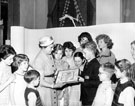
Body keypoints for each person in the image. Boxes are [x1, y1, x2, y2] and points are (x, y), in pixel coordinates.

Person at [32, 36, 62, 106]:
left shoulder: (49, 54)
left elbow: (52, 69)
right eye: (50, 47)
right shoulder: (39, 60)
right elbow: (40, 81)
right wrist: (53, 86)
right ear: (43, 47)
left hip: (52, 86)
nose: (52, 49)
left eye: (52, 47)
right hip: (45, 90)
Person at [79, 41, 101, 106]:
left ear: (91, 52)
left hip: (91, 98)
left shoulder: (96, 65)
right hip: (85, 96)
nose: (83, 55)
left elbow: (98, 82)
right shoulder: (87, 63)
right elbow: (86, 76)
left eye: (85, 53)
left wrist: (84, 81)